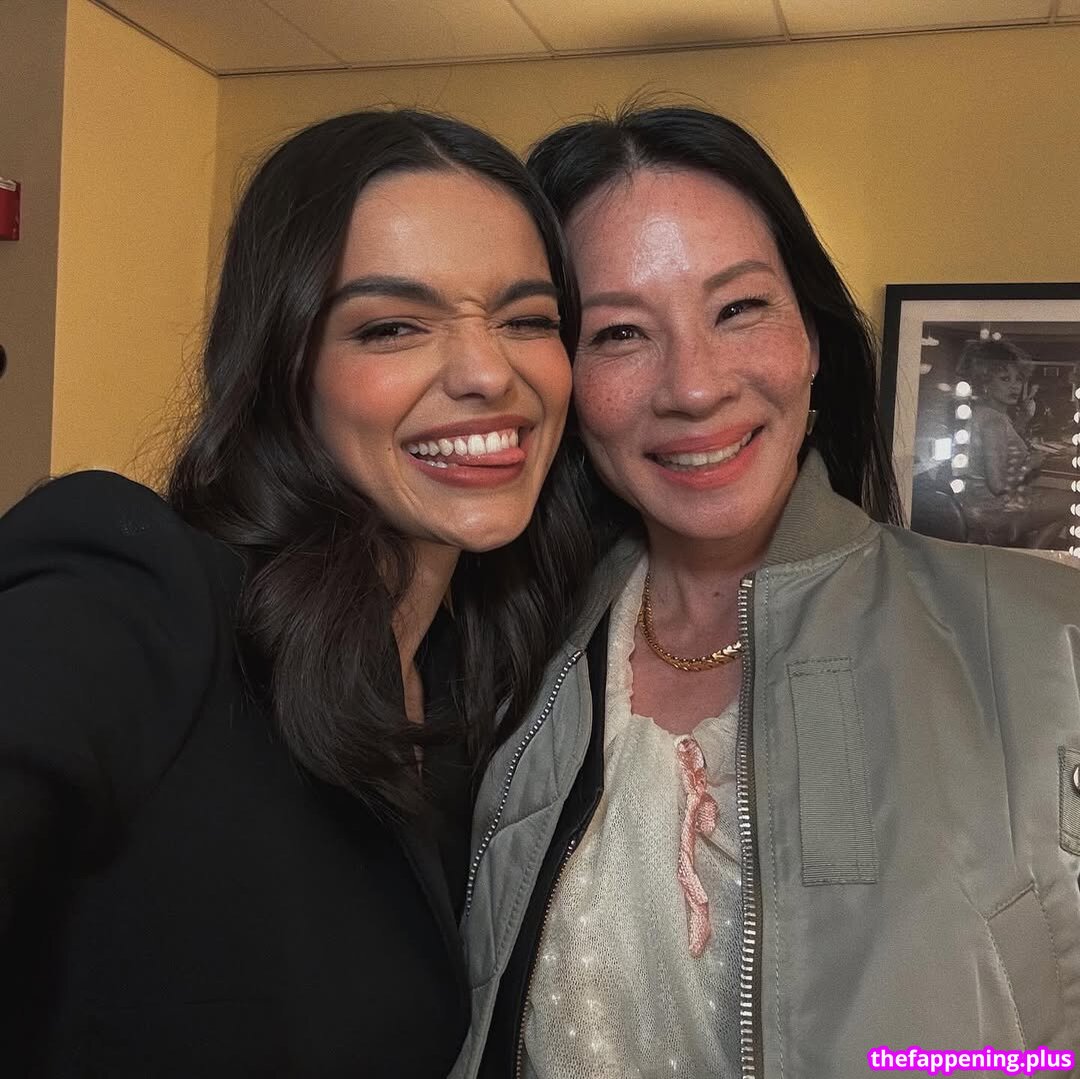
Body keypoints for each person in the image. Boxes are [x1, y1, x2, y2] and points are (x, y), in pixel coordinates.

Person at [450, 106, 1080, 1079]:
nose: (695, 387)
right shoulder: (503, 662)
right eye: (619, 332)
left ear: (812, 337)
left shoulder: (1048, 645)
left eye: (739, 308)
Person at [0, 108, 592, 1077]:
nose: (490, 372)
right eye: (392, 326)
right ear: (286, 366)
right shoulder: (145, 588)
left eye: (527, 319)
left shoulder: (483, 684)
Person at [957, 337, 1072, 547]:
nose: (1015, 386)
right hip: (994, 511)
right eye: (1004, 379)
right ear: (985, 382)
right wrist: (1031, 464)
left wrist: (1023, 420)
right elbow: (998, 485)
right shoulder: (994, 421)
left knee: (1063, 505)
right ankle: (1030, 556)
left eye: (1018, 379)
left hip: (977, 507)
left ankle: (1030, 552)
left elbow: (1000, 447)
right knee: (1074, 502)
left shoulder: (984, 413)